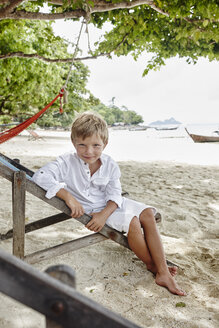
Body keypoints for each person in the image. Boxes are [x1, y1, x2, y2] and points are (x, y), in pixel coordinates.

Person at [33, 112, 186, 296]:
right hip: (92, 208)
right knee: (133, 222)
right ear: (73, 142)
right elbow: (40, 176)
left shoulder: (110, 164)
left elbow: (115, 194)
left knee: (146, 213)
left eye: (96, 145)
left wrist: (104, 214)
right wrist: (67, 196)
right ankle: (154, 266)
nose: (89, 151)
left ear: (105, 144)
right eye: (82, 145)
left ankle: (161, 269)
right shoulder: (66, 162)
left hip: (110, 206)